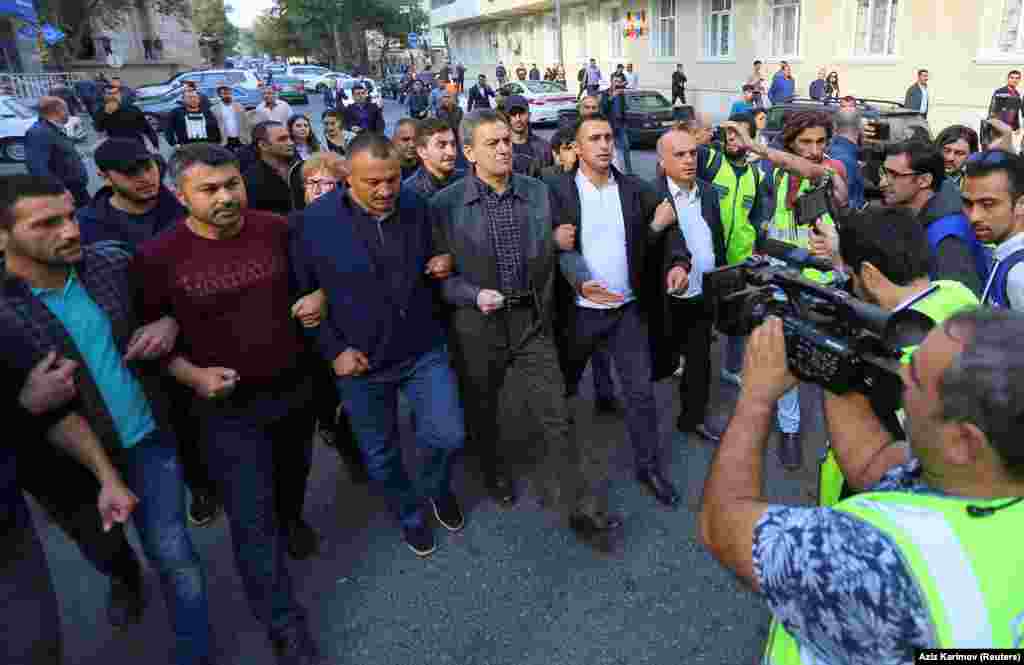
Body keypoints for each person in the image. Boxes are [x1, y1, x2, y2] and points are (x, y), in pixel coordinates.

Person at [700, 307, 1024, 663]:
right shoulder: (989, 476)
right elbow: (873, 462)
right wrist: (828, 362)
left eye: (914, 378)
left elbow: (722, 524)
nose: (901, 375)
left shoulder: (876, 560)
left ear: (964, 441)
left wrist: (756, 398)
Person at [0, 174, 213, 665]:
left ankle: (196, 653)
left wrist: (168, 322)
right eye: (47, 223)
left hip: (147, 441)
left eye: (71, 215)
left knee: (176, 556)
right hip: (62, 471)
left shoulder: (113, 263)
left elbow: (169, 303)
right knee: (104, 548)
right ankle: (123, 577)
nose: (71, 231)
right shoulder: (5, 314)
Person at [135, 144, 324, 663]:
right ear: (181, 195)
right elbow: (146, 341)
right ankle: (284, 624)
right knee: (250, 519)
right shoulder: (157, 256)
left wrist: (320, 297)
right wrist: (191, 375)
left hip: (292, 390)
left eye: (232, 185)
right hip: (225, 411)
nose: (225, 197)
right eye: (209, 190)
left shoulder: (275, 230)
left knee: (291, 480)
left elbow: (316, 281)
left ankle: (293, 517)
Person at [429, 109, 614, 546]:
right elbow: (439, 280)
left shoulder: (537, 192)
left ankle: (581, 506)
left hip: (532, 320)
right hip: (478, 326)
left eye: (506, 141)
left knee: (557, 414)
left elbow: (559, 251)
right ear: (469, 151)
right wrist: (471, 295)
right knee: (483, 410)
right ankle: (494, 472)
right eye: (491, 143)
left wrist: (582, 278)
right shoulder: (444, 206)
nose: (503, 149)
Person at [290, 132, 465, 558]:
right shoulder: (314, 222)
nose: (386, 191)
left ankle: (436, 488)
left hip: (422, 348)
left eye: (393, 179)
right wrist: (334, 352)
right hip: (361, 362)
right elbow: (304, 297)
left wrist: (444, 260)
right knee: (381, 456)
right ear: (348, 177)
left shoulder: (415, 205)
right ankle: (409, 514)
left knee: (448, 434)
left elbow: (435, 254)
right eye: (374, 183)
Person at [549, 113, 690, 510]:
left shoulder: (633, 189)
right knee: (564, 391)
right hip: (578, 312)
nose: (605, 145)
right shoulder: (554, 189)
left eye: (609, 137)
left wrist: (679, 263)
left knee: (641, 394)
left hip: (627, 311)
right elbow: (542, 243)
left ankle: (648, 468)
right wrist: (555, 243)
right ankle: (565, 471)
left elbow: (669, 228)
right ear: (576, 148)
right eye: (594, 138)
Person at [812, 208, 981, 508]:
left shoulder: (895, 352)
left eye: (852, 275)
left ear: (869, 275)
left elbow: (873, 466)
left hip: (874, 505)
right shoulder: (956, 294)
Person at [1, 314, 138, 664]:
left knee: (37, 647)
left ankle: (124, 574)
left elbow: (54, 406)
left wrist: (108, 478)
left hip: (12, 519)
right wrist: (21, 411)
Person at [728, 110, 851, 470]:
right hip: (785, 279)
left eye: (820, 142)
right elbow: (764, 222)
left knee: (833, 364)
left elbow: (813, 172)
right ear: (792, 142)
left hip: (826, 286)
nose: (814, 150)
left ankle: (841, 441)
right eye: (805, 142)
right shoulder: (775, 177)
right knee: (788, 359)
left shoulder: (834, 171)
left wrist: (759, 148)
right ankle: (791, 429)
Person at [655, 123, 729, 443]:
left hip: (703, 293)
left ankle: (692, 418)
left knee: (700, 362)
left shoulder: (708, 192)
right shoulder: (648, 196)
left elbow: (718, 240)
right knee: (659, 361)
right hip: (666, 298)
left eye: (692, 153)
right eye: (679, 154)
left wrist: (722, 280)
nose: (689, 160)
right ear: (662, 162)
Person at [879, 140, 989, 295]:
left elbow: (960, 307)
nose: (883, 183)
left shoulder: (949, 237)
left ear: (924, 180)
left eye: (894, 175)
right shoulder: (924, 217)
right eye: (884, 172)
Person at [963, 150, 1024, 309]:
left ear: (1021, 205)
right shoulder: (1006, 254)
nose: (974, 217)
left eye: (988, 204)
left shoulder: (1019, 274)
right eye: (968, 204)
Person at [25, 96, 90, 208]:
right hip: (66, 192)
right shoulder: (39, 132)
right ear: (59, 110)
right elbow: (37, 167)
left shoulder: (52, 128)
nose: (68, 113)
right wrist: (59, 190)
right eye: (67, 109)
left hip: (76, 189)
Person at [243, 120, 297, 216]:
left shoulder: (301, 168)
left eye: (290, 138)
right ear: (263, 145)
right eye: (282, 139)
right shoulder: (250, 180)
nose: (291, 143)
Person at [403, 118, 464, 200]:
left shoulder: (468, 180)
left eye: (453, 144)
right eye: (441, 146)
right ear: (422, 151)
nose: (451, 152)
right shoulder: (408, 193)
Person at [94, 85, 160, 151]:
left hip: (134, 148)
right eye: (110, 93)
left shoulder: (132, 110)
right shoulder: (100, 114)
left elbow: (147, 129)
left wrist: (155, 145)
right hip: (122, 149)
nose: (113, 96)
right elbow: (100, 132)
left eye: (115, 93)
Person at [505, 95, 553, 177]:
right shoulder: (501, 149)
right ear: (507, 117)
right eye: (513, 114)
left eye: (522, 113)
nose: (518, 119)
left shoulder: (544, 147)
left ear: (529, 115)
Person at [828, 110, 867, 210]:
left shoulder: (833, 150)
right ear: (860, 128)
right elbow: (846, 204)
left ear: (835, 127)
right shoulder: (846, 160)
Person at [600, 75, 633, 174]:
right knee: (611, 149)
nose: (617, 83)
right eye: (615, 81)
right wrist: (611, 97)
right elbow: (603, 108)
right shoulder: (605, 93)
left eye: (619, 81)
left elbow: (624, 108)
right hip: (610, 125)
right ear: (611, 82)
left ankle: (629, 171)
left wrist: (625, 120)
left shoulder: (621, 94)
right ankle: (612, 170)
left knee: (626, 147)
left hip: (621, 124)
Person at [935, 124, 980, 189]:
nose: (950, 158)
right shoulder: (921, 178)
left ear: (971, 156)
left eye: (959, 153)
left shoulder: (975, 185)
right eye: (946, 151)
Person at [988, 70, 1022, 145]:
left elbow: (1015, 112)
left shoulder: (1017, 94)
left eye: (1017, 78)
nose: (1014, 80)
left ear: (1019, 80)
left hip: (1008, 128)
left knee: (1005, 147)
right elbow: (993, 109)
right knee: (996, 147)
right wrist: (993, 126)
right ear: (1008, 79)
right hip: (999, 126)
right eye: (1012, 78)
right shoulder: (1000, 92)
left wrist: (1017, 127)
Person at [214, 85, 251, 151]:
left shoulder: (240, 106)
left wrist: (247, 139)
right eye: (224, 94)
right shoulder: (214, 109)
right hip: (225, 141)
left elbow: (246, 124)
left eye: (229, 93)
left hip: (240, 139)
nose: (227, 95)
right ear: (219, 95)